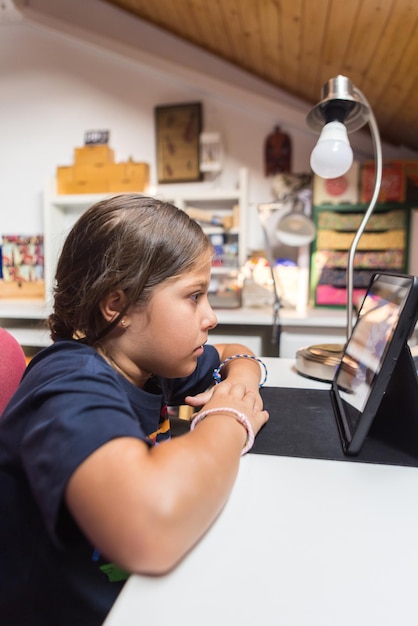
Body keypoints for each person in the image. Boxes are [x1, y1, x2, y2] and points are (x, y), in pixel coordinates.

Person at [0, 194, 269, 626]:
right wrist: (229, 418)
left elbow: (237, 353)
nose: (212, 316)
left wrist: (238, 384)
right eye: (194, 296)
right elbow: (150, 527)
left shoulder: (147, 362)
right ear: (118, 306)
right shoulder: (70, 381)